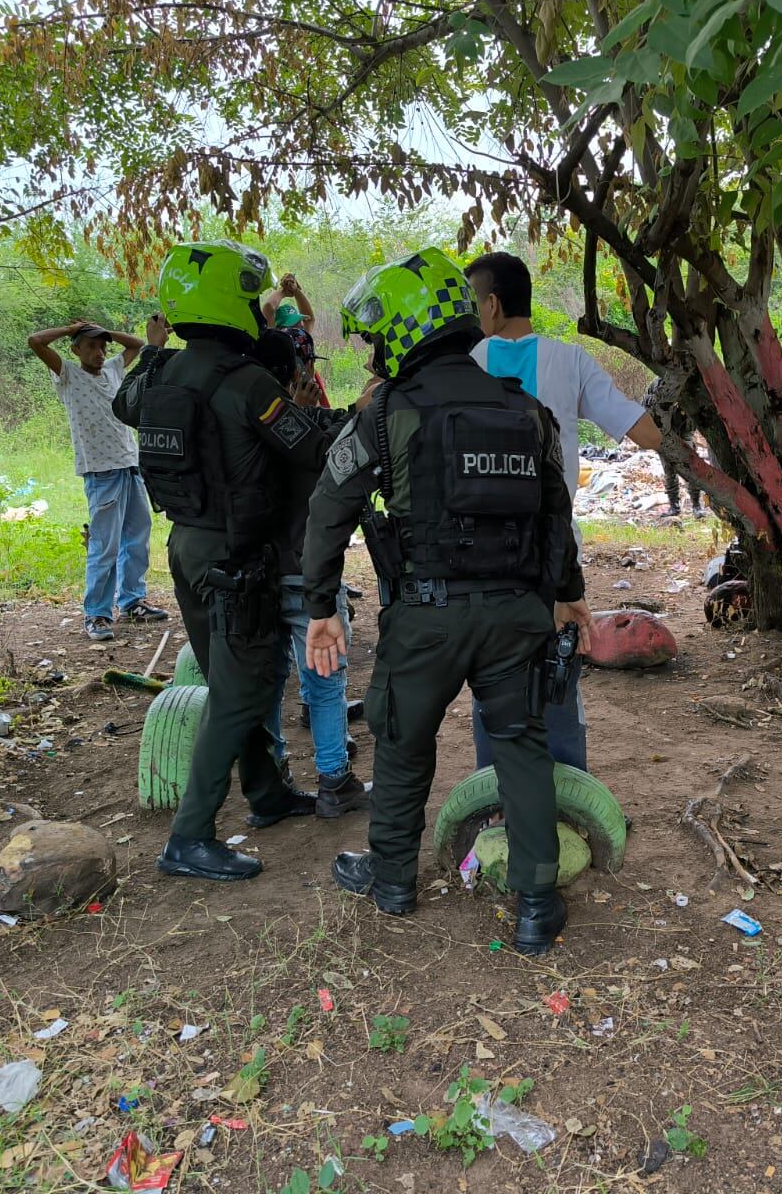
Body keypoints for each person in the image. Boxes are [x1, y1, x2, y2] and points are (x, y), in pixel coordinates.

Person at [301, 247, 592, 956]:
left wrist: (318, 607)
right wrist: (570, 596)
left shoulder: (387, 413)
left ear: (401, 332)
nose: (372, 355)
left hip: (426, 617)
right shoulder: (527, 411)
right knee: (521, 747)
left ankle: (395, 880)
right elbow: (557, 513)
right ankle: (534, 903)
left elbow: (328, 509)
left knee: (402, 743)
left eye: (375, 340)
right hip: (515, 616)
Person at [112, 241, 338, 883]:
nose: (261, 317)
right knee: (239, 693)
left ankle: (265, 793)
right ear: (232, 305)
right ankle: (189, 838)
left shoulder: (161, 373)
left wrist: (153, 349)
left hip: (186, 547)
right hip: (237, 555)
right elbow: (302, 445)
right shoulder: (246, 383)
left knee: (237, 680)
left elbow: (122, 404)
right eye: (252, 303)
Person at [462, 250, 660, 772]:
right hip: (552, 545)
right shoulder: (569, 361)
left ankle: (495, 791)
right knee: (558, 659)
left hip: (478, 548)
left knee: (491, 670)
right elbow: (641, 430)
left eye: (470, 303)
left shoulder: (463, 363)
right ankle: (569, 785)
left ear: (492, 305)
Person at [249, 327, 371, 814]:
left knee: (272, 679)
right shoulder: (314, 427)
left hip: (256, 571)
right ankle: (333, 779)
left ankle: (274, 774)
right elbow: (335, 445)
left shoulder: (240, 422)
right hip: (307, 571)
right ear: (297, 373)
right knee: (324, 679)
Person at [27, 318, 169, 641]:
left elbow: (136, 344)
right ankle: (97, 614)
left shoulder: (113, 370)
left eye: (102, 346)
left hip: (130, 465)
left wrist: (102, 331)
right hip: (100, 471)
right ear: (76, 349)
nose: (100, 352)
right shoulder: (68, 374)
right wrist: (69, 329)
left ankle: (132, 601)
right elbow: (35, 341)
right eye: (91, 346)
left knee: (138, 535)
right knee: (106, 544)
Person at [267, 274, 330, 407]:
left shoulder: (302, 339)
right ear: (278, 328)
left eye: (299, 323)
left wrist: (295, 290)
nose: (300, 327)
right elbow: (269, 309)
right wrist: (283, 292)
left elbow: (310, 318)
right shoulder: (277, 345)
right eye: (292, 325)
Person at [660, 404, 704, 518]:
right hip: (666, 440)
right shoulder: (666, 402)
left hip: (685, 440)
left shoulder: (691, 403)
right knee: (670, 473)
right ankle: (674, 506)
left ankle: (696, 505)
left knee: (691, 473)